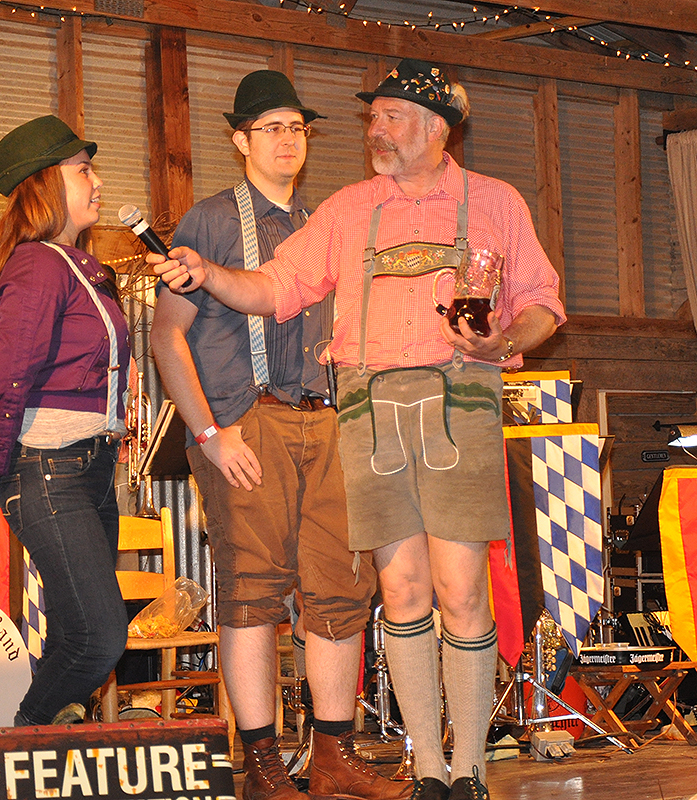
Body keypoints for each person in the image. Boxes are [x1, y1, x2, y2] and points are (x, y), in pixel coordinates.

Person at [152, 59, 566, 800]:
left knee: (461, 587)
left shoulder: (497, 202)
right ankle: (429, 769)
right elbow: (276, 286)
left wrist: (503, 340)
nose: (375, 129)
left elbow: (541, 303)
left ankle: (468, 764)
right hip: (367, 406)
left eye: (391, 116)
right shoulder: (347, 209)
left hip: (461, 398)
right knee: (401, 588)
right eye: (371, 117)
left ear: (437, 127)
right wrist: (209, 274)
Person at [150, 70, 410, 800]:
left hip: (328, 419)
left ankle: (332, 754)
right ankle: (262, 762)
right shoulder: (207, 222)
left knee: (340, 587)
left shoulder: (327, 224)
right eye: (272, 128)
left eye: (298, 127)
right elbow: (167, 338)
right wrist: (210, 435)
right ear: (239, 141)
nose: (289, 140)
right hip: (246, 422)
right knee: (254, 592)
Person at [0, 115, 129, 727]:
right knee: (97, 640)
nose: (97, 181)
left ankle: (27, 767)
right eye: (82, 169)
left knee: (74, 638)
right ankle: (6, 751)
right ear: (43, 184)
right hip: (49, 468)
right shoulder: (39, 264)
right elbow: (9, 374)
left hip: (88, 469)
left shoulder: (75, 266)